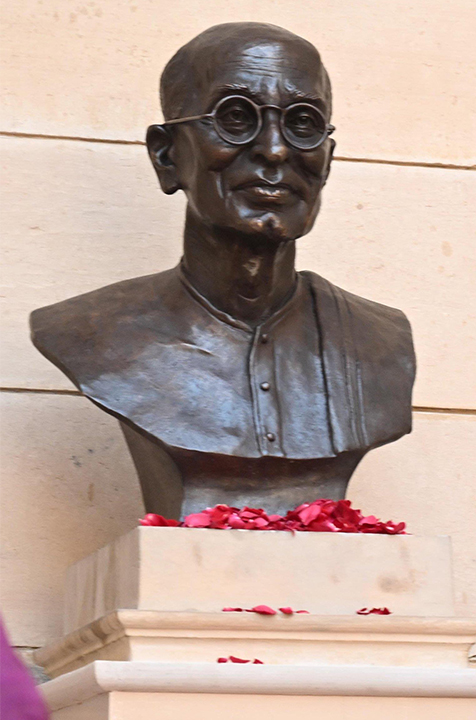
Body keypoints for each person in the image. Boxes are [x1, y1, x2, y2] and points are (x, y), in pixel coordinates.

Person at [29, 23, 415, 518]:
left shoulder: (381, 341)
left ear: (327, 160)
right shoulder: (88, 333)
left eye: (303, 123)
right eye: (236, 117)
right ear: (167, 156)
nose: (275, 150)